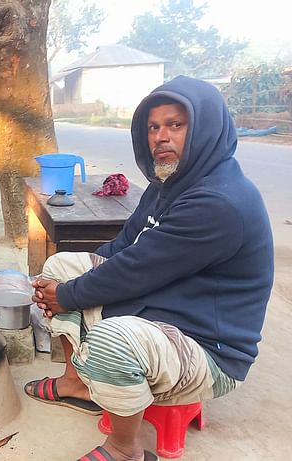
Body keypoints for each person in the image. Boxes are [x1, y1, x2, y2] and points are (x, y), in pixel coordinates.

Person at [26, 76, 273, 461]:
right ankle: (77, 384)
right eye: (153, 127)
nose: (160, 137)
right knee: (60, 265)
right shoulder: (170, 182)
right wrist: (63, 284)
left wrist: (68, 295)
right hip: (165, 303)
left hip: (206, 345)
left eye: (175, 124)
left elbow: (136, 270)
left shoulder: (220, 203)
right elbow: (125, 247)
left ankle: (126, 449)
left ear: (206, 128)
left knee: (111, 339)